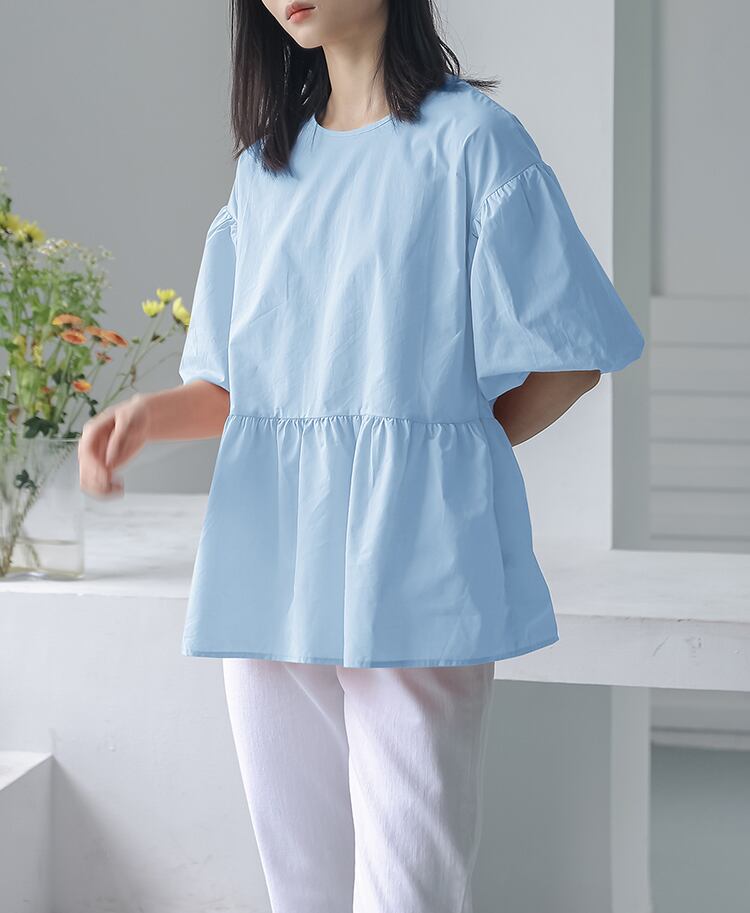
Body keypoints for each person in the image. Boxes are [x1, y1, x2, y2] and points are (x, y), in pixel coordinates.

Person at [78, 1, 645, 910]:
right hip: (271, 555)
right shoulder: (265, 170)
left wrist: (448, 454)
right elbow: (236, 388)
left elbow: (573, 352)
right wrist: (146, 418)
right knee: (298, 880)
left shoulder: (473, 142)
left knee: (408, 885)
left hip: (412, 558)